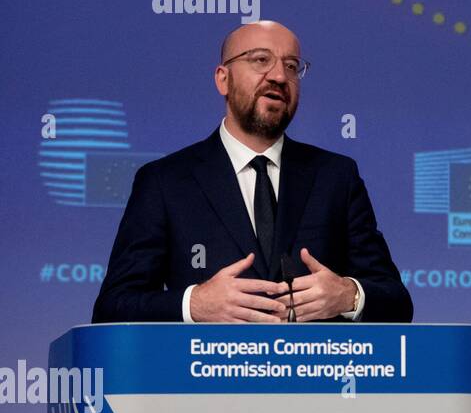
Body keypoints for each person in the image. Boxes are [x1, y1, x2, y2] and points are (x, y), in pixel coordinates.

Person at [92, 21, 413, 324]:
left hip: (317, 379)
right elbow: (112, 307)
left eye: (291, 66)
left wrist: (348, 295)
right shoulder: (164, 181)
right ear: (223, 78)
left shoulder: (336, 177)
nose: (278, 76)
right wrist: (194, 304)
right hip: (205, 377)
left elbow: (397, 301)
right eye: (261, 60)